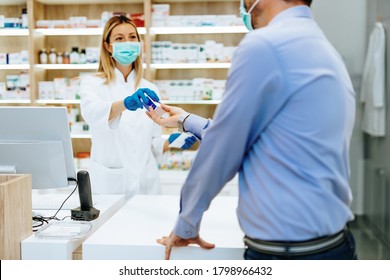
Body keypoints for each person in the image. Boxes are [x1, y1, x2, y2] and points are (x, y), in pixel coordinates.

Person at [150, 0, 358, 260]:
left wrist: (187, 223)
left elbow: (222, 149)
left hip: (288, 257)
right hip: (335, 246)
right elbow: (271, 139)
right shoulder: (323, 49)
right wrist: (187, 120)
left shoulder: (265, 45)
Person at [79, 15, 196, 200]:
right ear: (108, 46)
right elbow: (92, 113)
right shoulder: (92, 84)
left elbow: (153, 143)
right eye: (119, 38)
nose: (128, 42)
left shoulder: (150, 88)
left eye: (133, 37)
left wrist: (170, 142)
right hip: (112, 186)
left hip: (147, 185)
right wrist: (125, 104)